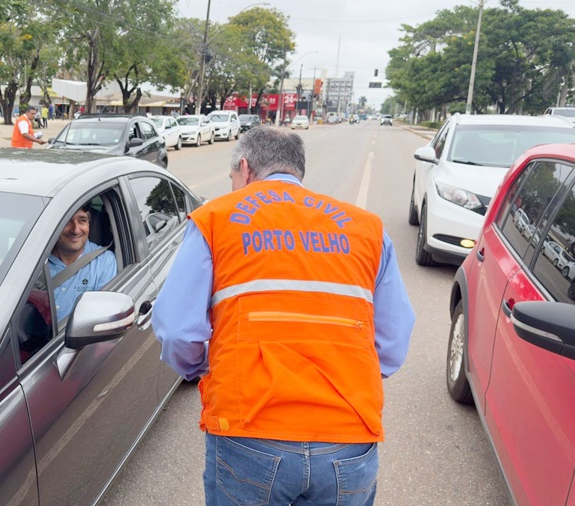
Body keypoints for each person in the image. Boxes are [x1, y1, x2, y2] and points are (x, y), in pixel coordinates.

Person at [152, 127, 415, 506]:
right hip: (348, 434)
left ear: (244, 168)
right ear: (297, 172)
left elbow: (176, 329)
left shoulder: (216, 220)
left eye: (231, 180)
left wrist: (200, 369)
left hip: (248, 432)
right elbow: (393, 344)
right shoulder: (368, 229)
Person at [47, 202, 117, 321]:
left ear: (89, 225)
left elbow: (101, 318)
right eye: (67, 221)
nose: (75, 230)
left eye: (82, 220)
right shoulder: (37, 261)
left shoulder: (104, 261)